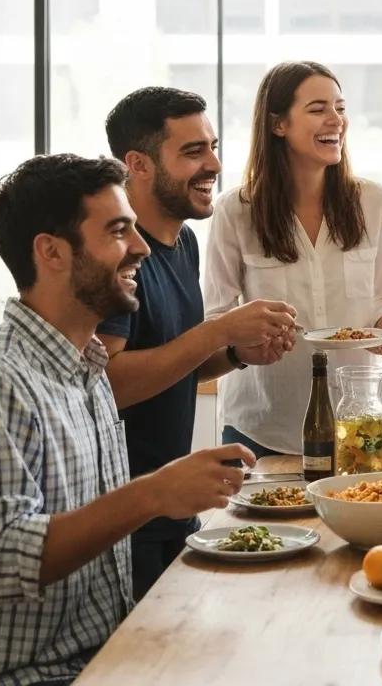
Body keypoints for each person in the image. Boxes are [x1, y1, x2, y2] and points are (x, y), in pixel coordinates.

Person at [0, 154, 255, 686]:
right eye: (118, 231)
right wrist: (152, 494)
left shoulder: (90, 368)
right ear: (51, 252)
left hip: (108, 657)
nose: (142, 247)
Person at [97, 87, 296, 600]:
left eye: (212, 146)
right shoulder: (119, 254)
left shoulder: (183, 240)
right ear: (137, 164)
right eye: (193, 152)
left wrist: (233, 354)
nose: (214, 164)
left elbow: (174, 360)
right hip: (122, 515)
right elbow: (107, 385)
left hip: (172, 506)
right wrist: (219, 331)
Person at [204, 61, 382, 456]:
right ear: (278, 124)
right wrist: (248, 338)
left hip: (358, 421)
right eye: (318, 109)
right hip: (263, 427)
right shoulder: (236, 210)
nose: (337, 120)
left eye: (341, 108)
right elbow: (216, 318)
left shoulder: (373, 202)